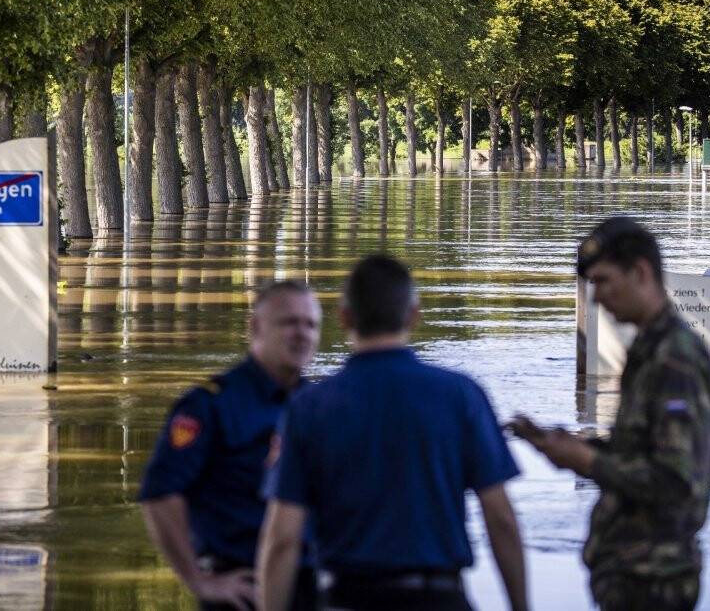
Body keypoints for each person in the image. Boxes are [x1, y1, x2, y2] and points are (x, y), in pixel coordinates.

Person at [257, 254, 528, 611]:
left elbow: (282, 540)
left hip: (347, 598)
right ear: (413, 315)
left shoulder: (309, 408)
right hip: (440, 598)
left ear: (345, 317)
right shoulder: (461, 395)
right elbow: (501, 519)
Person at [511, 216, 710, 611]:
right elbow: (642, 450)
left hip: (654, 581)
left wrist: (587, 461)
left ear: (640, 272)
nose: (596, 298)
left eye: (603, 282)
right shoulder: (650, 349)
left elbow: (676, 482)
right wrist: (571, 447)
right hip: (631, 575)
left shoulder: (676, 360)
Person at [139, 280, 322, 611]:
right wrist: (198, 580)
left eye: (310, 324)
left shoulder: (321, 405)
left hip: (317, 587)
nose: (302, 333)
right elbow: (160, 494)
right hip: (242, 590)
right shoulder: (210, 405)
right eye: (289, 322)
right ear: (255, 327)